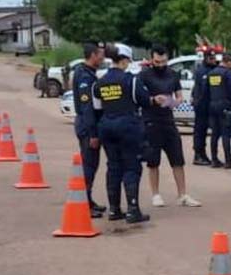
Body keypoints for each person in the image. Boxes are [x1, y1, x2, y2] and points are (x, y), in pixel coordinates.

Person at [93, 43, 153, 224]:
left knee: (113, 166)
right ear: (124, 60)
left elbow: (97, 108)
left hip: (106, 126)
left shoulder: (99, 82)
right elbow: (144, 101)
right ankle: (133, 210)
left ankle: (114, 209)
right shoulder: (131, 80)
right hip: (127, 126)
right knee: (131, 166)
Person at [138, 43, 202, 208]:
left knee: (177, 159)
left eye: (164, 62)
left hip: (168, 120)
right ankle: (156, 194)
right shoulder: (144, 75)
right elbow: (139, 97)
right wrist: (153, 99)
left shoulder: (173, 74)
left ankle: (182, 194)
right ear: (152, 59)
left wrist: (172, 102)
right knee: (153, 160)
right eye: (157, 62)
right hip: (151, 121)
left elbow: (179, 97)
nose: (161, 65)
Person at [72, 42, 107, 218]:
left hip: (89, 124)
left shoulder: (88, 73)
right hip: (87, 126)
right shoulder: (85, 76)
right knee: (89, 165)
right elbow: (87, 107)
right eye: (100, 54)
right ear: (93, 55)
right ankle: (84, 202)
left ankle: (88, 199)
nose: (102, 58)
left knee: (93, 165)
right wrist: (93, 133)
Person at [206, 54, 231, 168]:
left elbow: (206, 90)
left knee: (214, 134)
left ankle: (214, 159)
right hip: (225, 105)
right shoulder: (227, 73)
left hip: (212, 105)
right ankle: (228, 161)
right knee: (225, 134)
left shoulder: (211, 73)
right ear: (228, 62)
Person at [191, 49, 219, 165]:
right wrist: (197, 102)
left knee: (211, 131)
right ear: (206, 58)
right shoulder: (202, 71)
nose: (213, 60)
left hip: (210, 105)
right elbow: (201, 90)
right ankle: (198, 154)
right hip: (202, 105)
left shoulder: (214, 69)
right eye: (211, 58)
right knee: (200, 131)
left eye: (214, 58)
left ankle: (206, 155)